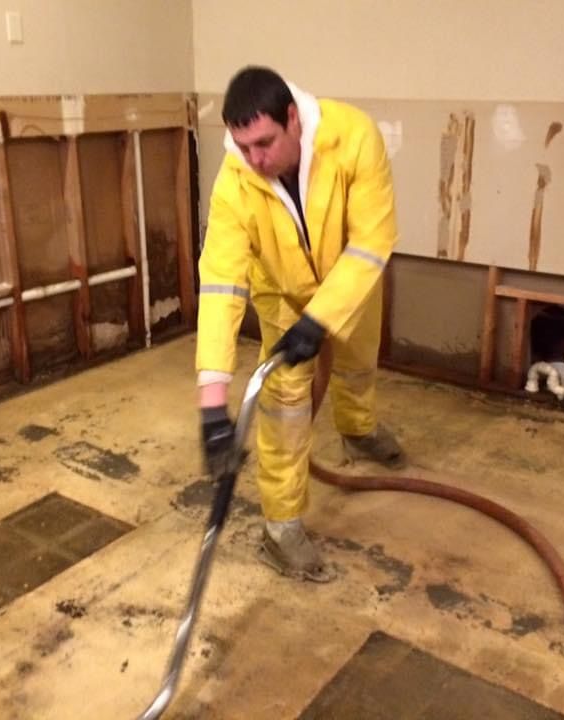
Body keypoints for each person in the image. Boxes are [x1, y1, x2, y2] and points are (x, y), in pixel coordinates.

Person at [196, 66, 405, 582]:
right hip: (283, 293)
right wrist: (211, 402)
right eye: (244, 147)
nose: (256, 160)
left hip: (349, 278)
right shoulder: (235, 182)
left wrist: (324, 318)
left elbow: (372, 240)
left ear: (293, 119)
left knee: (359, 360)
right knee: (286, 404)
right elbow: (221, 284)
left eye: (265, 143)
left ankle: (357, 431)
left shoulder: (354, 138)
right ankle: (281, 527)